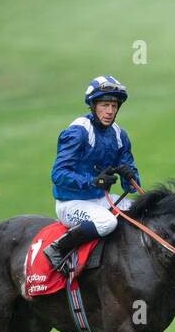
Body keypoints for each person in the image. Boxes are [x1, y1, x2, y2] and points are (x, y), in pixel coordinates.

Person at [43, 75, 142, 273]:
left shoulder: (119, 135)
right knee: (107, 222)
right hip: (70, 204)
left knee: (142, 213)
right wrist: (93, 182)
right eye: (105, 105)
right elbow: (59, 174)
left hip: (99, 200)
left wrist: (129, 176)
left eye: (114, 106)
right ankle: (57, 248)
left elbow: (131, 186)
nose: (110, 111)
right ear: (93, 105)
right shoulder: (78, 132)